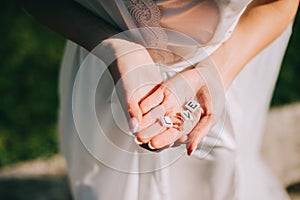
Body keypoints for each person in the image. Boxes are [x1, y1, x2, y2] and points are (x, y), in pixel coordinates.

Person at [21, 0, 298, 199]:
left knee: (215, 180)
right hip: (106, 73)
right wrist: (116, 48)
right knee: (104, 178)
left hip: (214, 83)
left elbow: (279, 3)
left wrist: (215, 73)